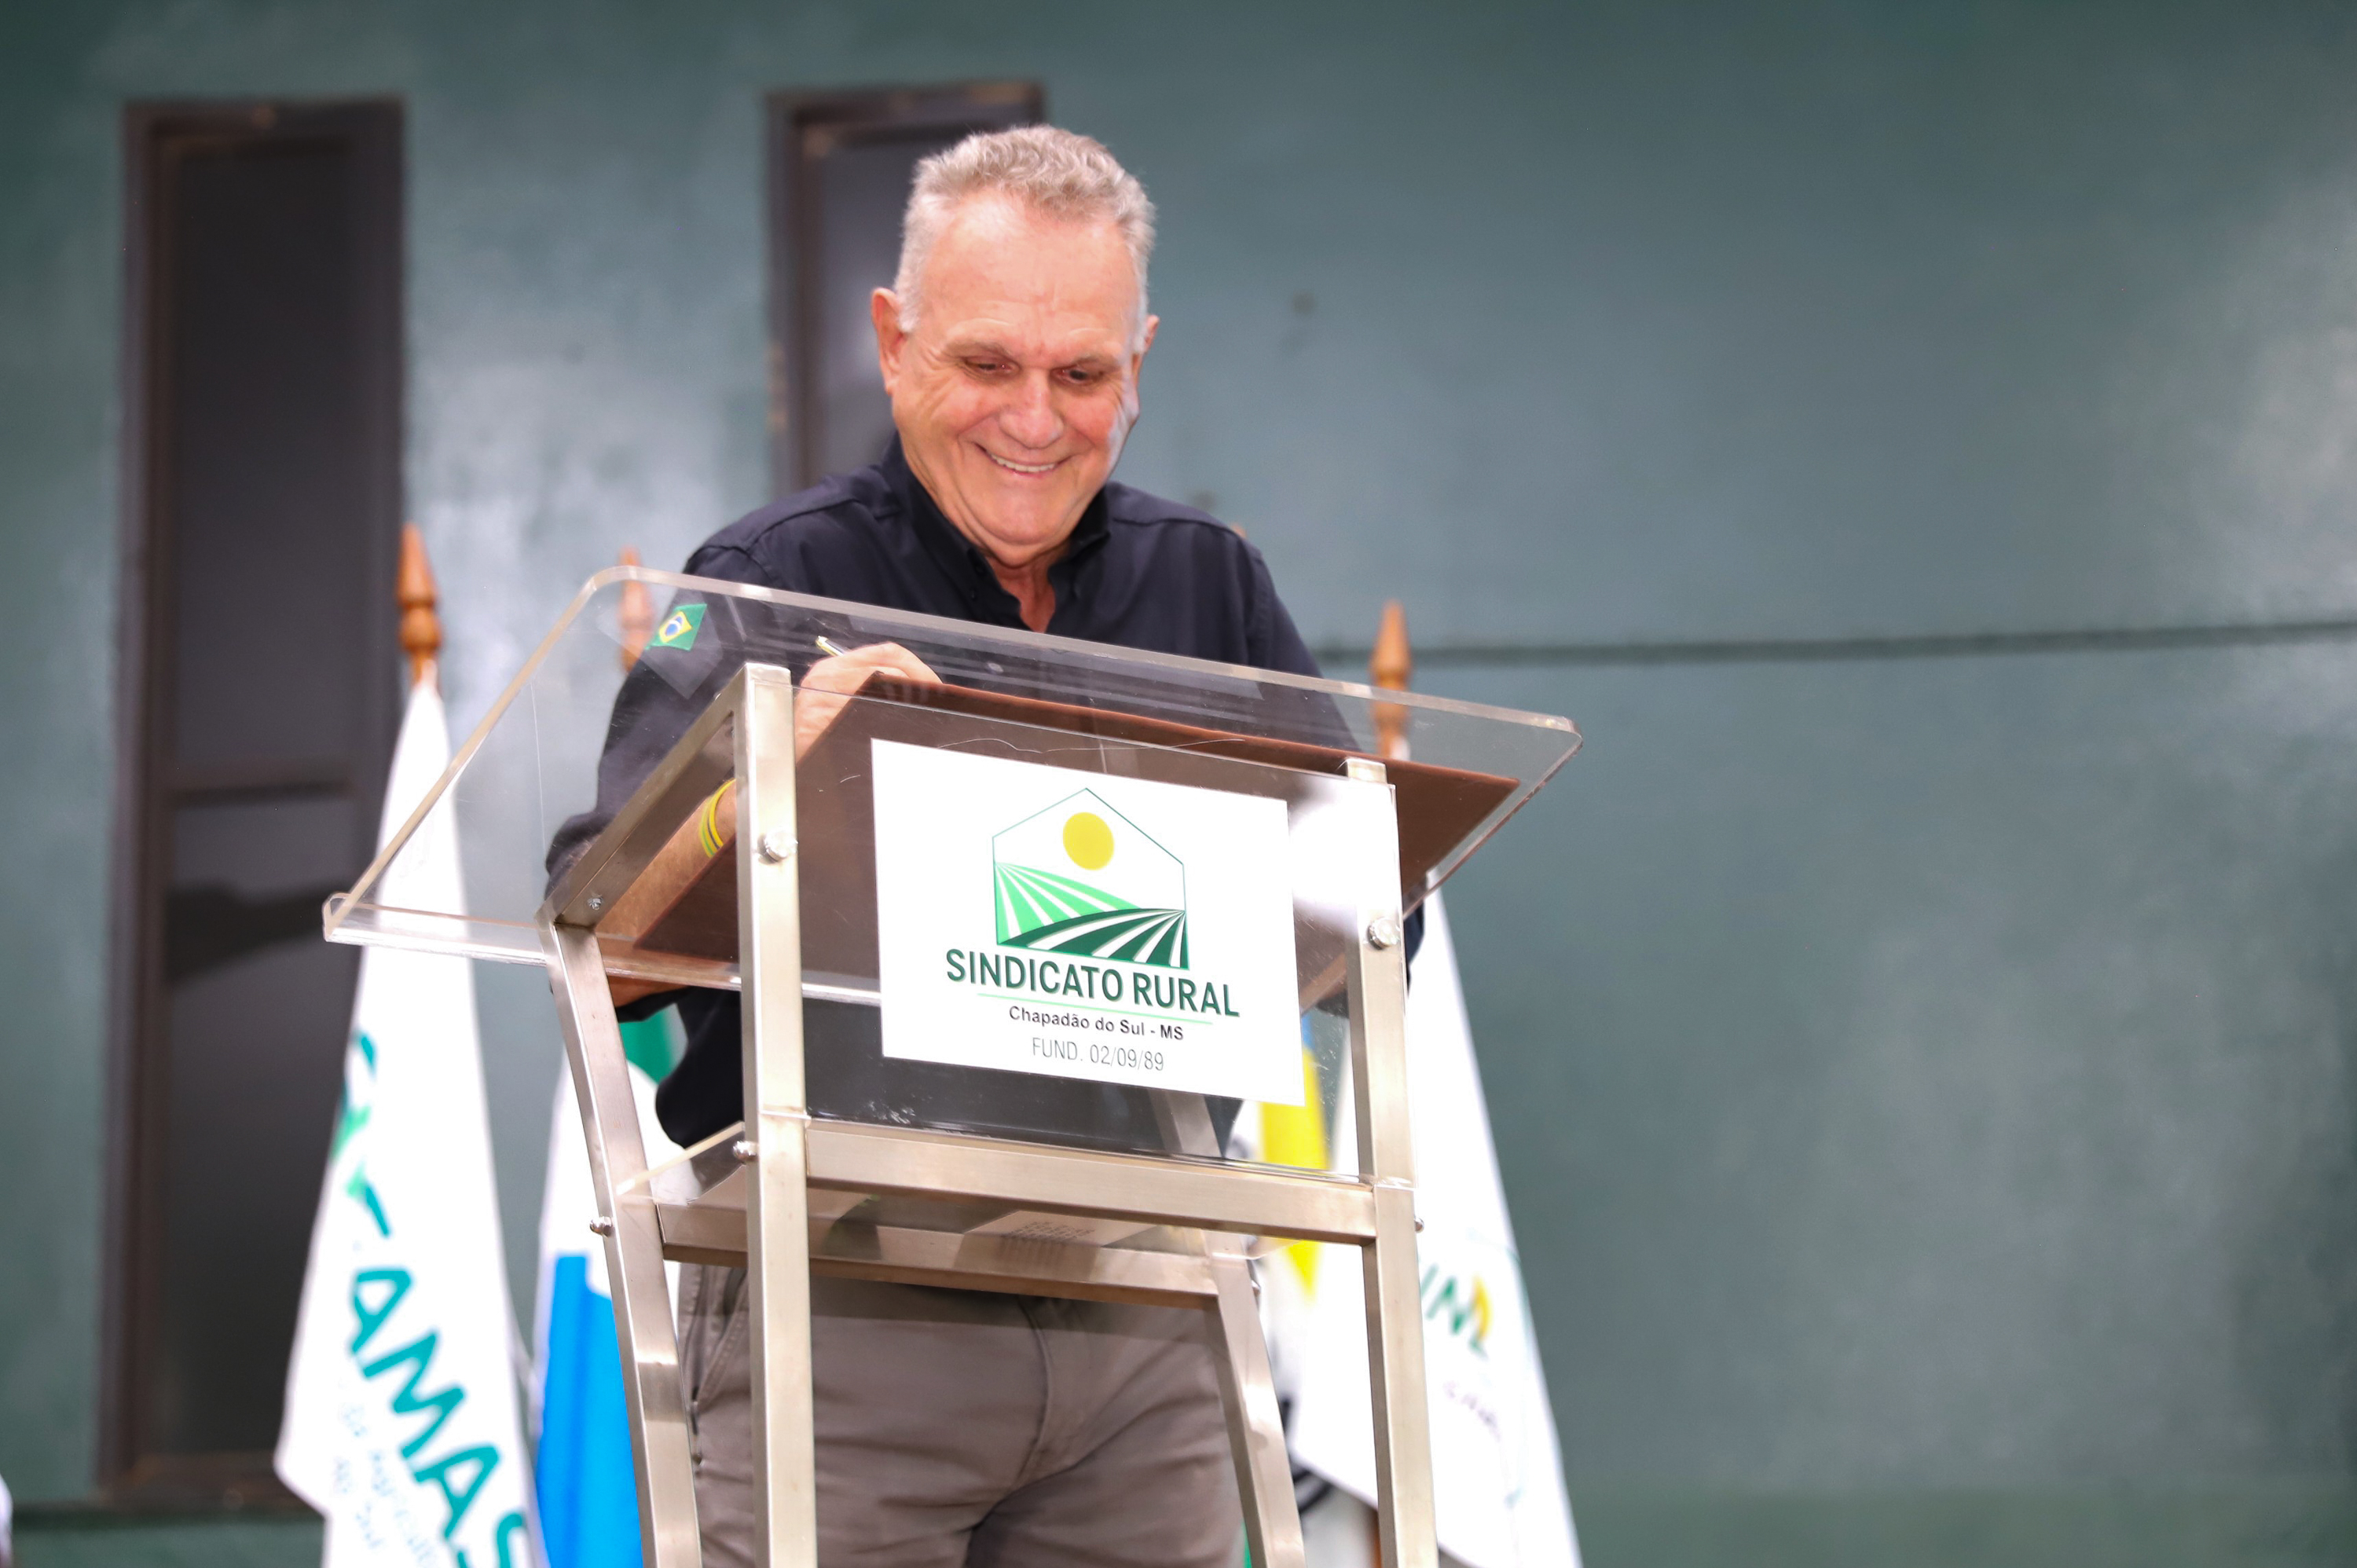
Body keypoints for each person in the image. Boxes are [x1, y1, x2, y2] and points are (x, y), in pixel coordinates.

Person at [552, 126, 1398, 1567]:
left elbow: (1368, 923)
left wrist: (1279, 882)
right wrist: (769, 786)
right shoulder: (771, 582)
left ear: (1140, 365)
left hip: (1150, 1307)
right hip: (843, 1300)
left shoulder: (1210, 588)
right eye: (988, 363)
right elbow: (602, 943)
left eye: (1083, 375)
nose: (1035, 420)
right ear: (894, 345)